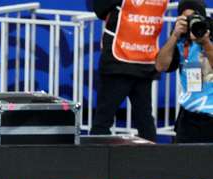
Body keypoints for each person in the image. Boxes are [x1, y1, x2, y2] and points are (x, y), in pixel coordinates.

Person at [90, 0, 166, 141]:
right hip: (144, 60)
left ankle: (95, 161)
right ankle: (152, 160)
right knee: (145, 120)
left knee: (102, 121)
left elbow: (100, 8)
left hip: (118, 62)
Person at [155, 0, 213, 142]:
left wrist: (205, 43)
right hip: (188, 117)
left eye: (194, 17)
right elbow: (160, 66)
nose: (191, 23)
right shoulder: (180, 40)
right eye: (186, 19)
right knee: (181, 162)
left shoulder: (210, 33)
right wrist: (174, 36)